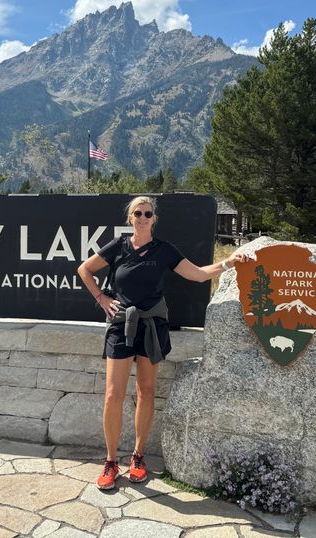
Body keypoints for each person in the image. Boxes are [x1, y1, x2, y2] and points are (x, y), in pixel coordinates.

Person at [77, 195, 252, 490]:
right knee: (112, 395)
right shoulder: (118, 247)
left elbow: (197, 274)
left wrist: (228, 263)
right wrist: (101, 298)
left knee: (146, 391)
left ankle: (138, 457)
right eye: (137, 213)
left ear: (153, 219)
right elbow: (85, 269)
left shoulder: (164, 250)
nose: (143, 217)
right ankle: (110, 461)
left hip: (152, 327)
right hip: (121, 326)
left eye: (147, 213)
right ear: (130, 218)